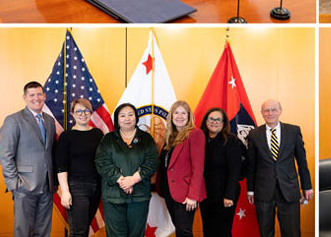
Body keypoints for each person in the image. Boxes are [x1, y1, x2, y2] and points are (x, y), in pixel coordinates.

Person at [247, 99, 313, 237]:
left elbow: (302, 161)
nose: (270, 113)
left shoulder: (293, 131)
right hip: (263, 190)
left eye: (273, 110)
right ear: (262, 113)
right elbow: (251, 164)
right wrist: (250, 190)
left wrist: (307, 186)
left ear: (280, 111)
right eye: (266, 110)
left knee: (292, 232)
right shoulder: (254, 134)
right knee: (265, 232)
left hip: (289, 190)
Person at [0, 82, 56, 237]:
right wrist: (13, 184)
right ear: (25, 97)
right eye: (32, 95)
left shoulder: (50, 121)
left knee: (43, 230)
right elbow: (5, 154)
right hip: (24, 186)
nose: (36, 98)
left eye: (39, 94)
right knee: (23, 230)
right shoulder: (14, 120)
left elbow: (49, 152)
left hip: (47, 185)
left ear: (44, 96)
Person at [95, 103, 158, 237]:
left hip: (139, 196)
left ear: (136, 117)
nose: (127, 118)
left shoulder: (146, 139)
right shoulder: (108, 139)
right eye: (122, 115)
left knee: (136, 234)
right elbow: (102, 163)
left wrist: (134, 179)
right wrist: (121, 180)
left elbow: (152, 162)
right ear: (117, 119)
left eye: (130, 114)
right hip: (113, 196)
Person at [156, 101, 206, 237]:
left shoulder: (196, 134)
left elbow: (198, 168)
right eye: (176, 112)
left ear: (189, 116)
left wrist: (193, 196)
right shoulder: (170, 136)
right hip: (169, 191)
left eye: (183, 113)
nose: (180, 116)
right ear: (171, 116)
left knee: (184, 232)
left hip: (186, 194)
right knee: (179, 228)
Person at [56, 99, 104, 237]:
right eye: (79, 111)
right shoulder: (67, 136)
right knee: (78, 232)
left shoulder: (98, 134)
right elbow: (61, 166)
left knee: (85, 227)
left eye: (86, 110)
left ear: (91, 113)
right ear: (72, 114)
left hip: (96, 187)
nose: (83, 114)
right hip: (77, 188)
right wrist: (65, 191)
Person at [199, 107, 243, 237]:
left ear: (224, 123)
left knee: (222, 231)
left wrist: (229, 195)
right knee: (208, 230)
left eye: (219, 119)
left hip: (225, 194)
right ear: (206, 121)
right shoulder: (200, 139)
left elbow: (235, 170)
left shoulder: (230, 140)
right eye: (211, 119)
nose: (214, 122)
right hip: (206, 194)